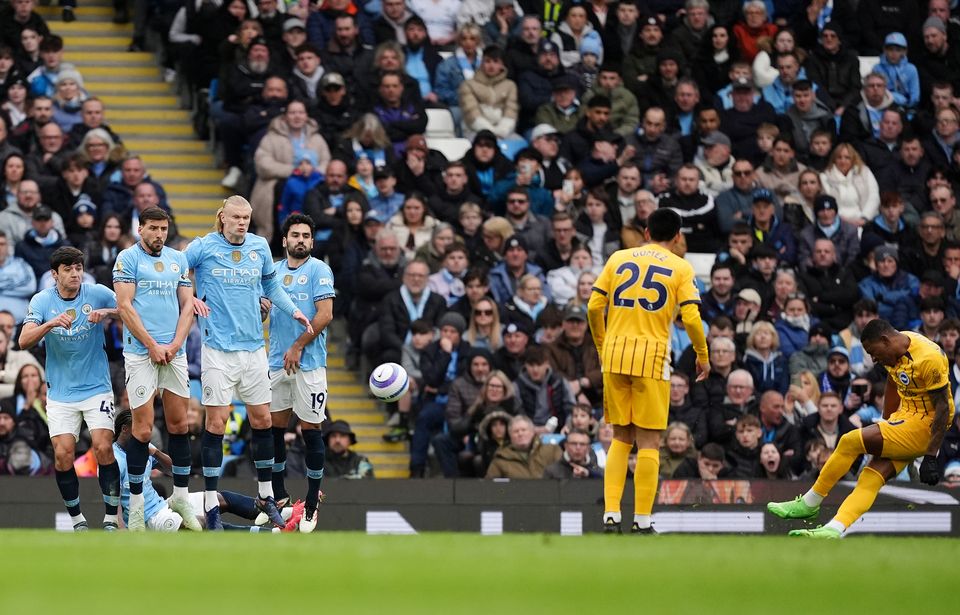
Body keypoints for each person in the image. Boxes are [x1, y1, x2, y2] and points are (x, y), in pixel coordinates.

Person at [185, 196, 313, 530]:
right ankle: (211, 501)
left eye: (247, 217)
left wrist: (293, 310)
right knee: (216, 424)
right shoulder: (204, 247)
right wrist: (190, 297)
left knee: (262, 421)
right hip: (217, 350)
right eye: (236, 217)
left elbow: (272, 285)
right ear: (222, 217)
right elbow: (176, 270)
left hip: (255, 349)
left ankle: (266, 495)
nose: (242, 222)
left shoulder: (258, 247)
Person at [769, 319, 955, 537]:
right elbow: (894, 381)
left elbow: (943, 407)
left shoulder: (928, 358)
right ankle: (834, 529)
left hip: (926, 425)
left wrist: (931, 456)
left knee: (849, 441)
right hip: (906, 418)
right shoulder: (897, 347)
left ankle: (810, 503)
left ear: (885, 340)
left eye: (873, 352)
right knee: (870, 477)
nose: (873, 359)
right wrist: (887, 420)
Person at [588, 208, 710, 534]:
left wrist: (602, 345)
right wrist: (702, 355)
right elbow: (693, 318)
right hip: (651, 360)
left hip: (614, 357)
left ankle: (611, 515)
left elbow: (593, 306)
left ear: (645, 232)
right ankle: (642, 521)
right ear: (678, 237)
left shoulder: (617, 258)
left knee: (619, 438)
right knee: (649, 443)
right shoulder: (680, 267)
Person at [20, 247, 120, 531]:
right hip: (61, 393)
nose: (75, 273)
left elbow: (130, 310)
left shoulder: (97, 293)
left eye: (78, 267)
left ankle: (111, 519)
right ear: (55, 274)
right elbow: (24, 340)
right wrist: (50, 323)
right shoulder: (42, 301)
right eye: (68, 269)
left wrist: (108, 312)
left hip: (96, 387)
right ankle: (78, 521)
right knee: (63, 454)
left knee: (103, 447)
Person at [111, 207, 198, 532]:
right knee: (143, 429)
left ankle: (181, 497)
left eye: (163, 228)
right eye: (153, 228)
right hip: (140, 354)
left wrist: (175, 345)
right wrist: (151, 345)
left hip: (173, 353)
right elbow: (125, 306)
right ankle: (135, 506)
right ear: (140, 228)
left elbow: (188, 304)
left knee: (178, 424)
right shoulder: (127, 259)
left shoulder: (178, 259)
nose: (159, 234)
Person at [266, 214, 335, 532]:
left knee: (311, 429)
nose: (301, 240)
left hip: (309, 364)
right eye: (295, 235)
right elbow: (263, 310)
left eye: (306, 235)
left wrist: (297, 346)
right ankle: (279, 498)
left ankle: (310, 502)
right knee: (275, 427)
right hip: (277, 362)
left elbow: (325, 315)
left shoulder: (319, 269)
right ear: (284, 240)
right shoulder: (274, 272)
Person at [484, 414, 562, 478]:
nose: (520, 434)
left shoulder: (552, 450)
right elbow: (489, 487)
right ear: (510, 436)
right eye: (516, 431)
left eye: (524, 430)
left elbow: (564, 475)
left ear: (532, 432)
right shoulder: (501, 458)